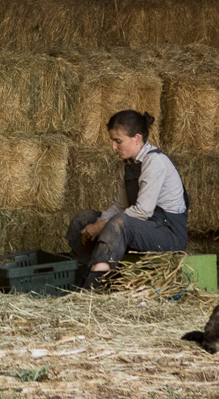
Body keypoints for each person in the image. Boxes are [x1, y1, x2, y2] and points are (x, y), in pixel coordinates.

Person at [65, 109, 189, 289]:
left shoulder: (155, 162)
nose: (113, 147)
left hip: (167, 231)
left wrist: (101, 226)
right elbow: (119, 205)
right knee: (83, 220)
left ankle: (94, 286)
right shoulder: (128, 166)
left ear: (137, 138)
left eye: (118, 141)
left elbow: (142, 211)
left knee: (118, 224)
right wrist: (96, 224)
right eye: (112, 141)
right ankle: (80, 272)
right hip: (142, 225)